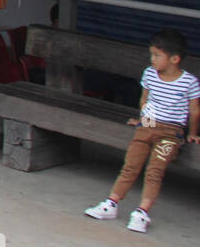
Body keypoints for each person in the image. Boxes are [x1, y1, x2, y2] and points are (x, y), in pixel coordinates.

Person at [84, 30, 199, 233]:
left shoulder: (189, 82)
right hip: (146, 128)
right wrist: (143, 120)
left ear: (174, 58)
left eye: (157, 55)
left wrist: (192, 133)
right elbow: (144, 99)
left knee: (154, 171)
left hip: (171, 135)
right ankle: (111, 203)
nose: (152, 59)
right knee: (130, 165)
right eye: (151, 54)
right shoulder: (149, 74)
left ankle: (142, 212)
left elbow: (194, 110)